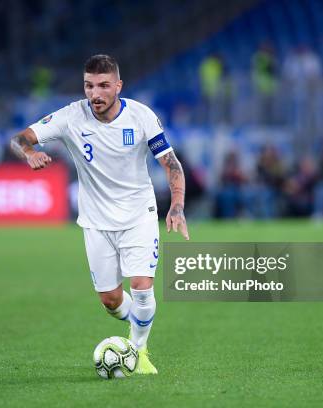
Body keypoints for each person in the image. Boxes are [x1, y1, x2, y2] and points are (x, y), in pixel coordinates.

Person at [10, 54, 189, 375]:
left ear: (118, 86)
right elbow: (19, 138)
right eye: (89, 86)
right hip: (95, 220)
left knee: (141, 286)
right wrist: (29, 151)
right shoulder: (70, 116)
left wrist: (176, 205)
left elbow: (171, 164)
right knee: (110, 300)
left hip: (139, 215)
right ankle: (138, 328)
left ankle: (138, 351)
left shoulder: (141, 116)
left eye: (104, 85)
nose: (95, 93)